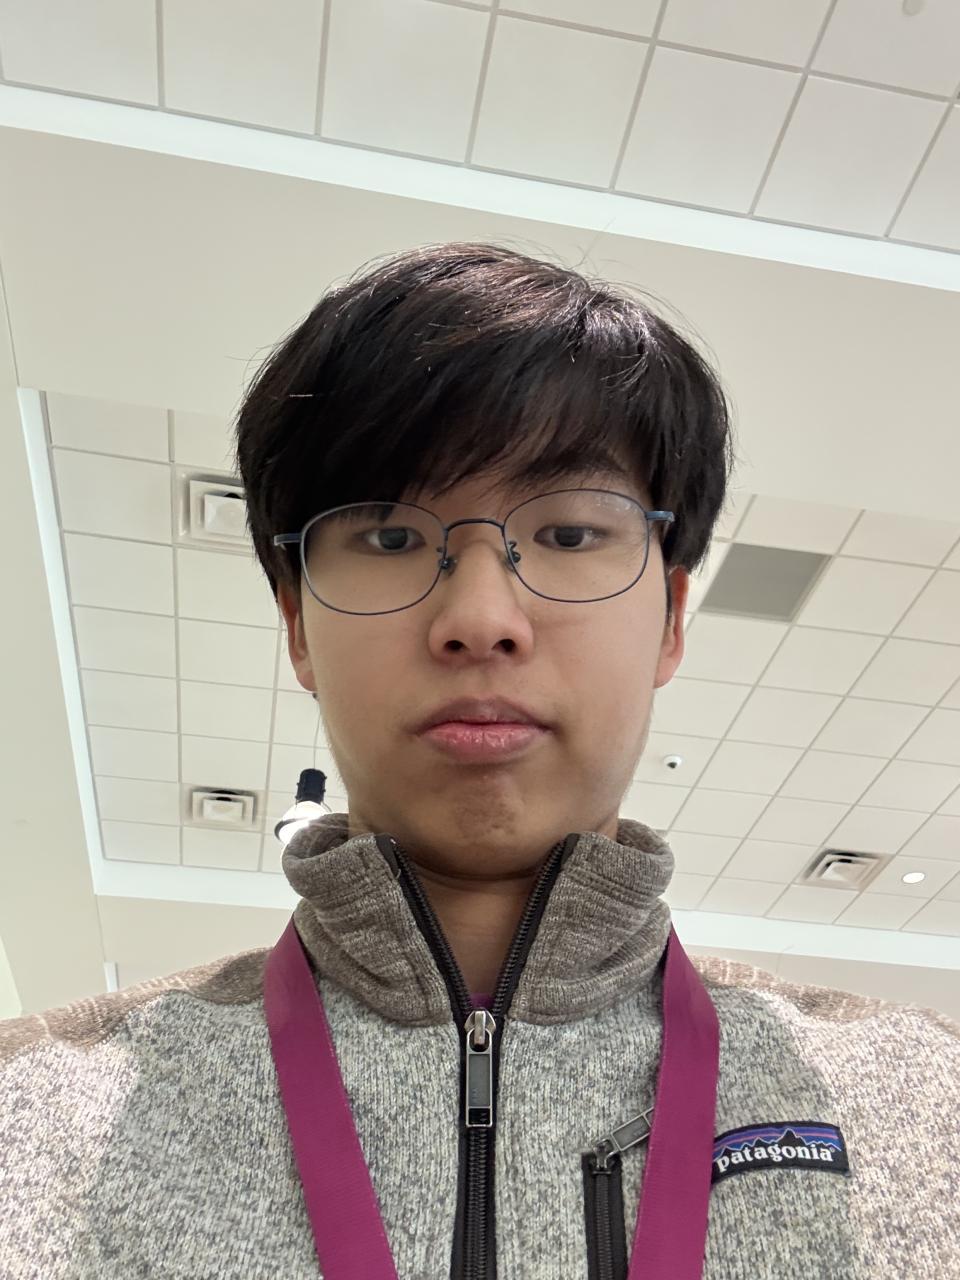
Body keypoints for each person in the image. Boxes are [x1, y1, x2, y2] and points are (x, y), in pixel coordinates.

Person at [1, 242, 957, 1280]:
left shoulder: (923, 1105)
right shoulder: (36, 1117)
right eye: (389, 537)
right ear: (299, 627)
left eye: (570, 532)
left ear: (672, 618)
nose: (482, 618)